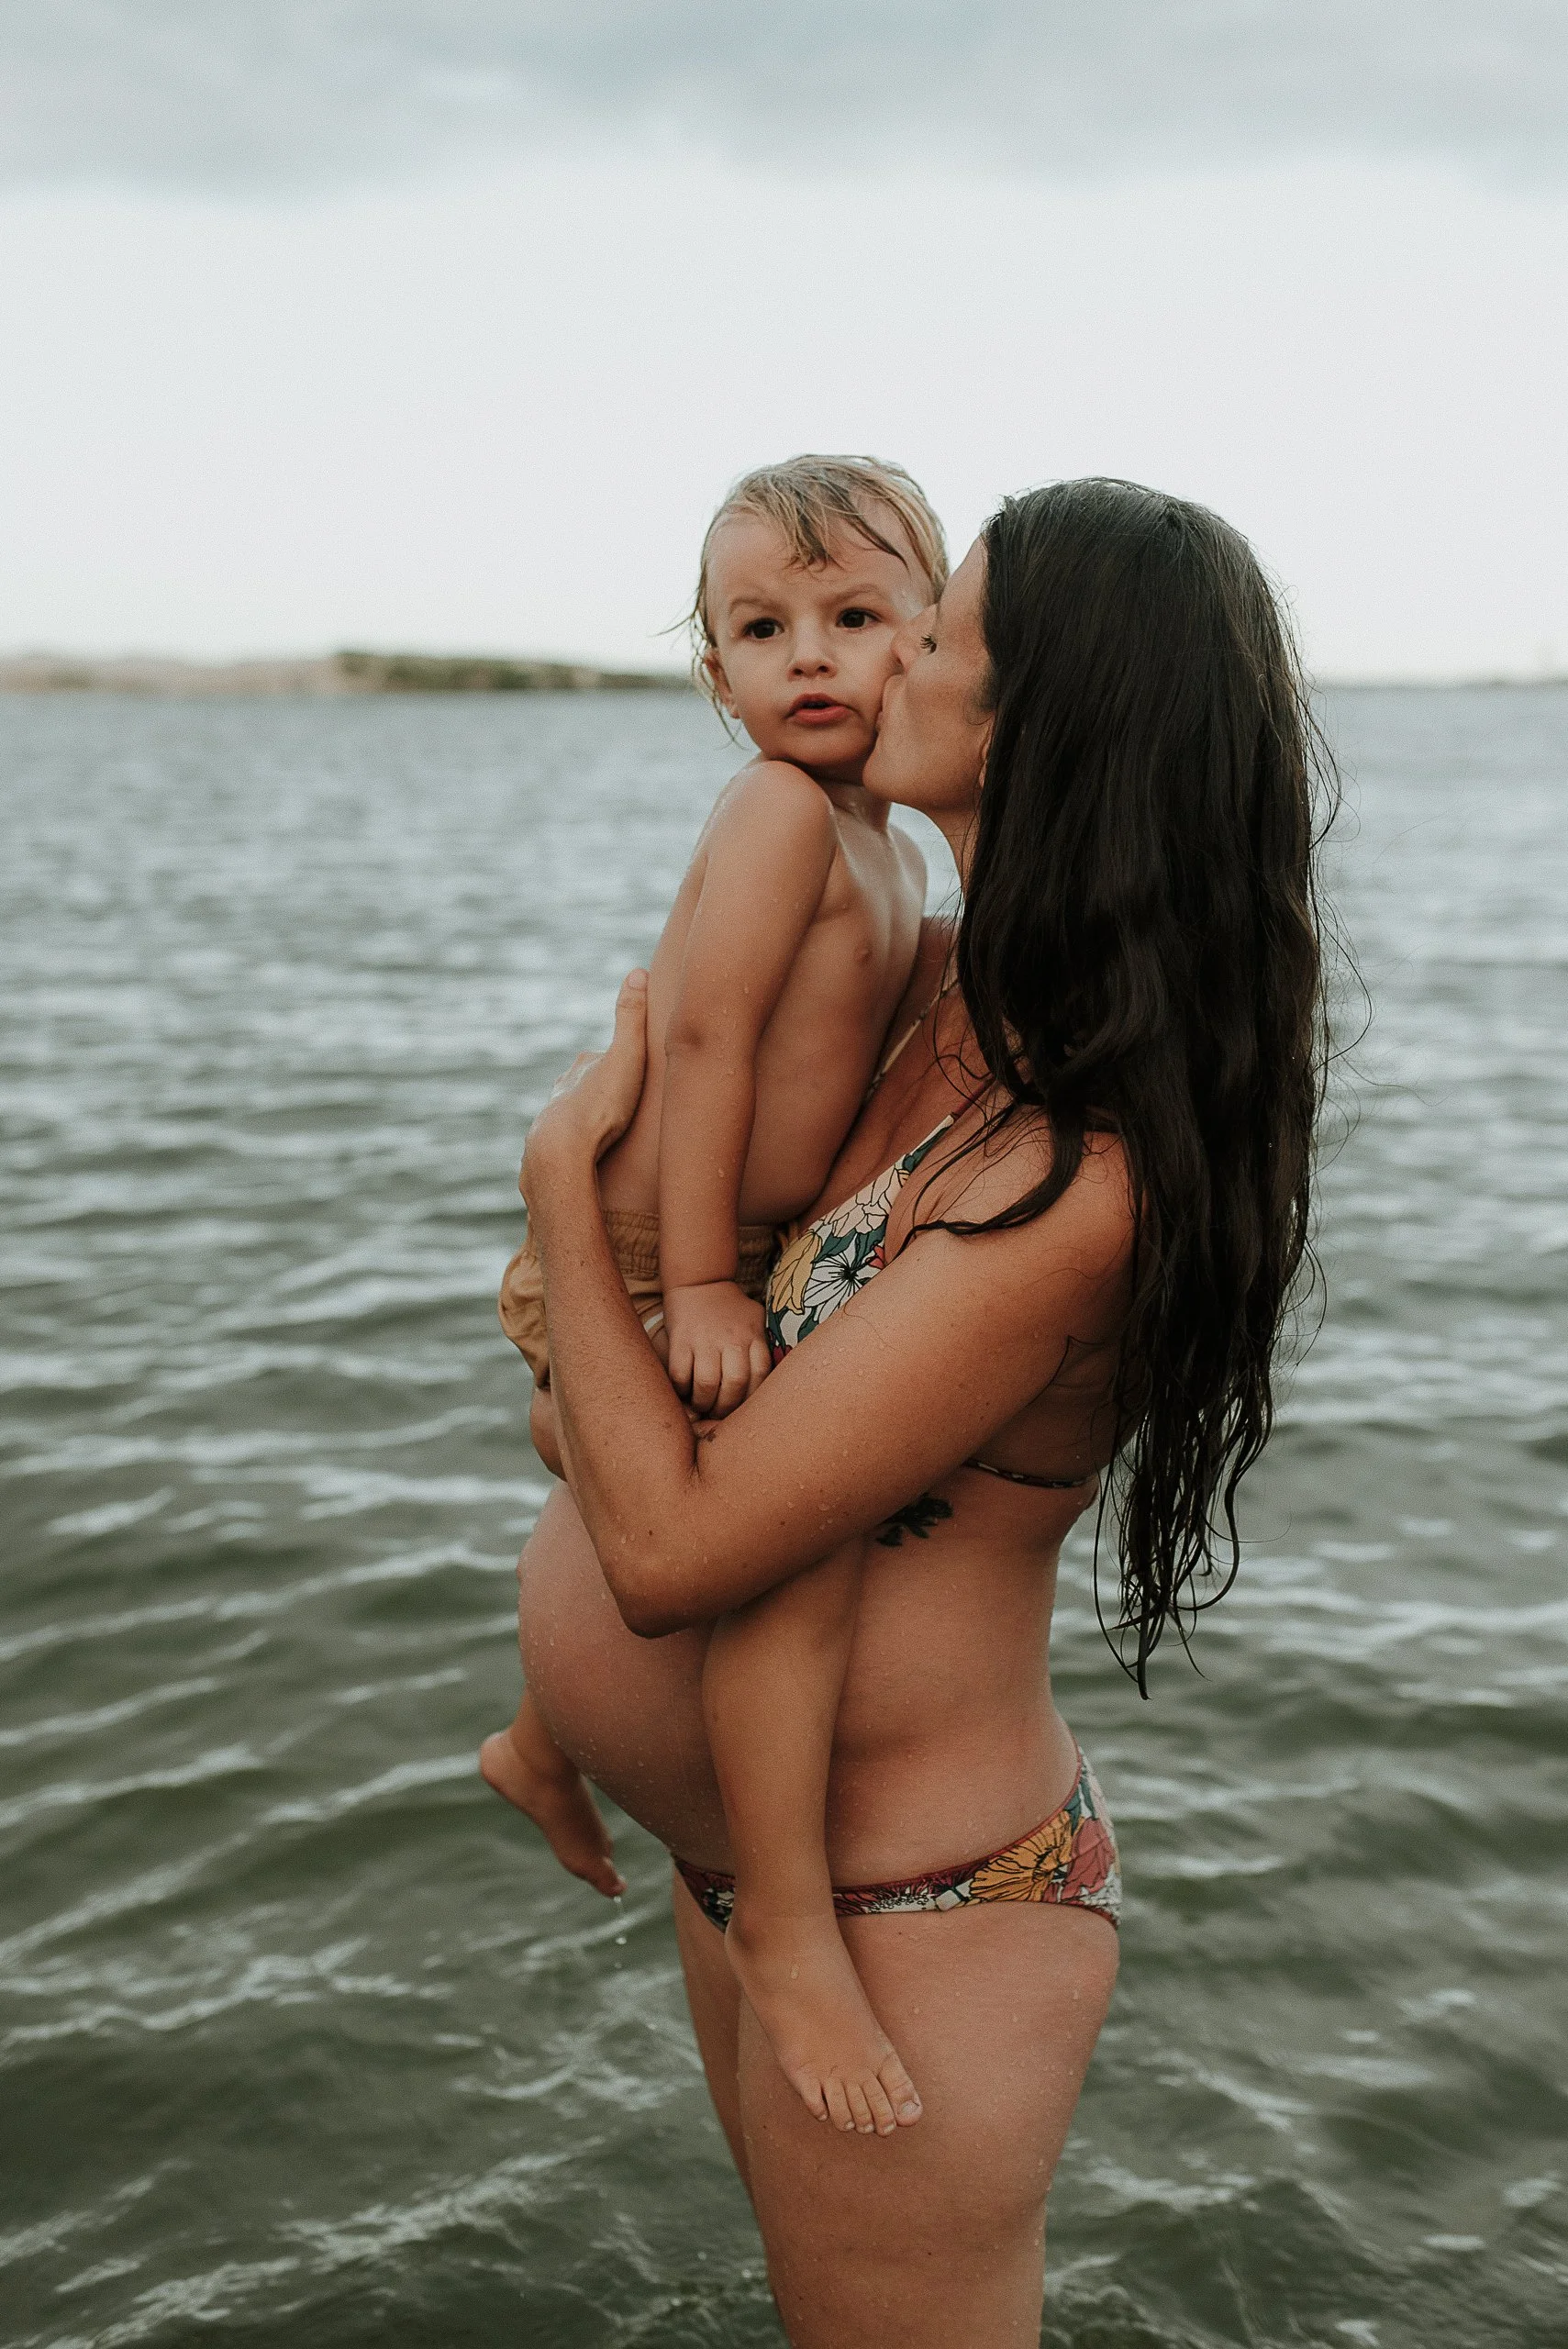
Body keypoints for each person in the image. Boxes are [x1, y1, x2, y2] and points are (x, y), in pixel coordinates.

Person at [510, 478, 1330, 2346]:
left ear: (1031, 722)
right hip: (749, 1866)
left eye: (930, 632)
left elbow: (670, 1552)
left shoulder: (1087, 1166)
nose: (870, 663)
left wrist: (557, 1180)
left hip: (915, 1911)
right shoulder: (933, 987)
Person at [483, 456, 949, 2127]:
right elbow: (704, 1040)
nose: (807, 658)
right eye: (762, 629)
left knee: (653, 1482)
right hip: (632, 1249)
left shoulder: (892, 854)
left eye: (854, 617)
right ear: (714, 674)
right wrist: (693, 1280)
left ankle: (544, 1738)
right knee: (771, 1529)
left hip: (726, 1255)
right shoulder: (774, 814)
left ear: (934, 643)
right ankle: (783, 1917)